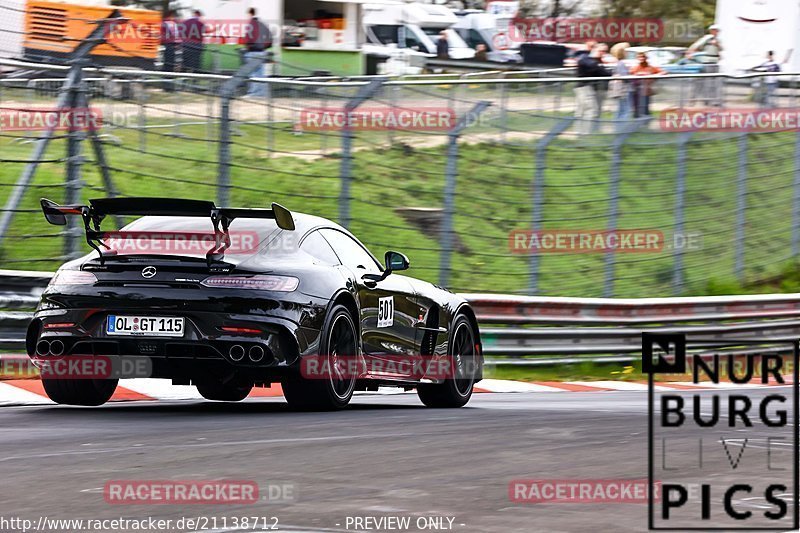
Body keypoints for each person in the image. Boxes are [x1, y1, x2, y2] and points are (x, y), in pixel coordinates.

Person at [574, 42, 611, 134]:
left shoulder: (597, 61)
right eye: (601, 50)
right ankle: (585, 134)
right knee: (590, 110)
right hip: (584, 87)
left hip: (589, 88)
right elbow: (598, 70)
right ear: (594, 49)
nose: (603, 53)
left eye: (605, 51)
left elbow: (604, 73)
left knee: (584, 110)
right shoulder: (585, 58)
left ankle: (583, 132)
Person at [687, 24, 722, 106]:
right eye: (715, 30)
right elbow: (696, 45)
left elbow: (722, 49)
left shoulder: (718, 40)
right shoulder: (707, 38)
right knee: (704, 82)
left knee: (712, 83)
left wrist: (717, 45)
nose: (716, 32)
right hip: (707, 62)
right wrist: (690, 52)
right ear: (711, 31)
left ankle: (710, 100)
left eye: (717, 31)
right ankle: (695, 100)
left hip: (714, 62)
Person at [243, 7, 272, 97]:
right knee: (261, 74)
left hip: (253, 52)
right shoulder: (262, 25)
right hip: (262, 52)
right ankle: (262, 94)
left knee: (253, 74)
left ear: (250, 14)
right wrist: (264, 47)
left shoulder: (250, 25)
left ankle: (253, 93)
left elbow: (248, 38)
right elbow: (269, 38)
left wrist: (248, 46)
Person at [630, 52, 664, 117]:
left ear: (646, 58)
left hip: (646, 91)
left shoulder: (650, 67)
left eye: (643, 57)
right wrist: (638, 74)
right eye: (639, 57)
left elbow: (663, 72)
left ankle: (646, 121)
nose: (641, 58)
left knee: (646, 107)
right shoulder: (635, 68)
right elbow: (630, 74)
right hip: (637, 92)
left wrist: (654, 76)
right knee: (637, 108)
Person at [609, 42, 633, 122]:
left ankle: (618, 127)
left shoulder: (619, 63)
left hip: (620, 90)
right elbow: (625, 77)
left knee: (621, 108)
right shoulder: (621, 64)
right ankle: (621, 128)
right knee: (625, 109)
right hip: (623, 90)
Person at [160, 10, 181, 91]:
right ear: (171, 15)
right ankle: (170, 87)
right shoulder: (171, 24)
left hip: (165, 45)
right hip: (171, 45)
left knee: (166, 65)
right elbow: (175, 35)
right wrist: (178, 43)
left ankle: (165, 86)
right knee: (171, 67)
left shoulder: (162, 23)